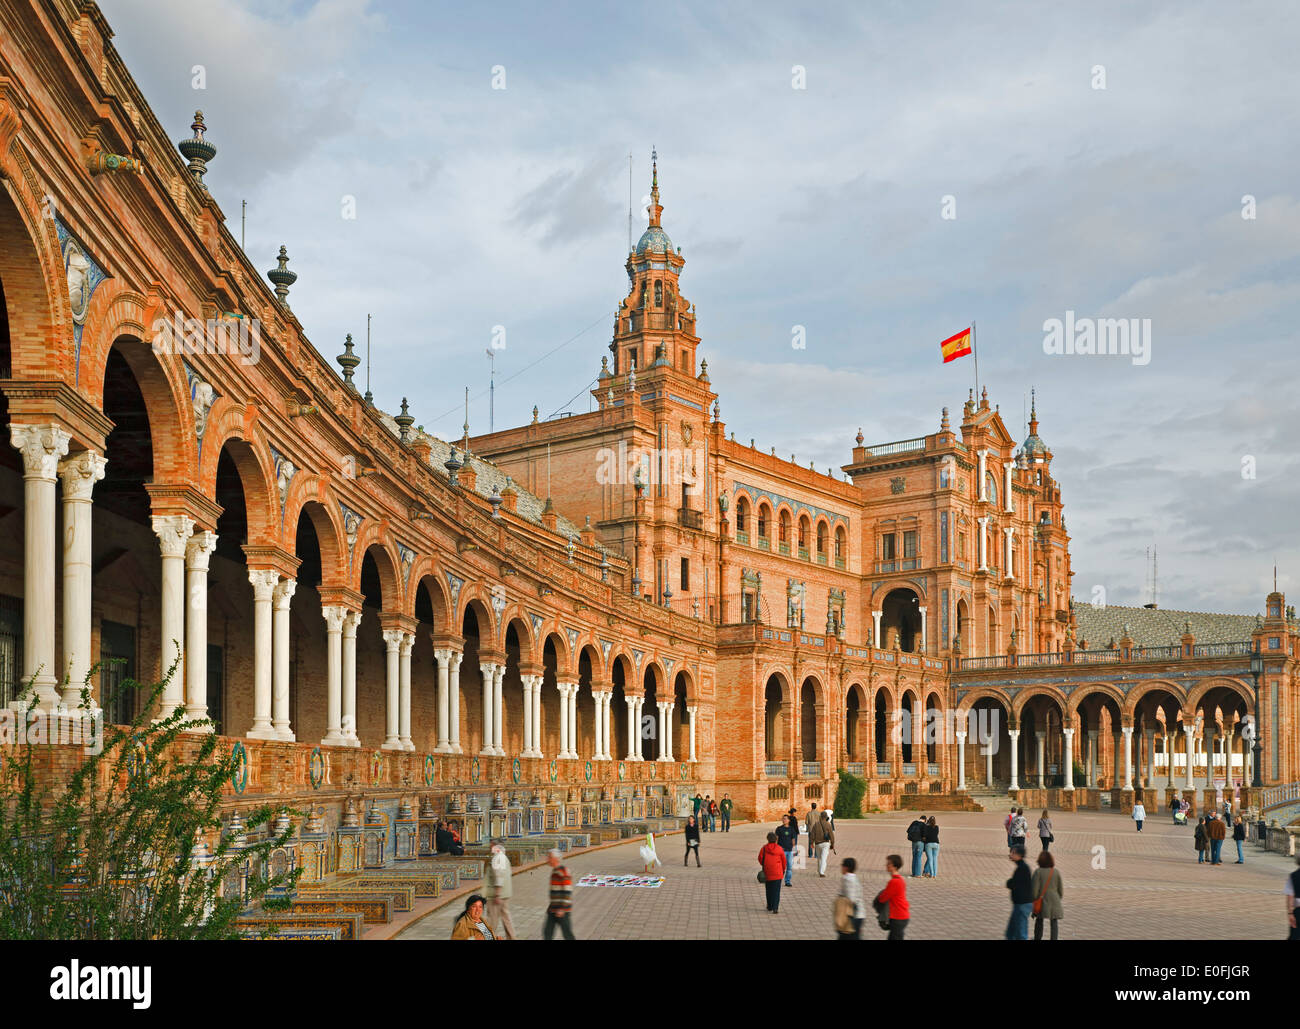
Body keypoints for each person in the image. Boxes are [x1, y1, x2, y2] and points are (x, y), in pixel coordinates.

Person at [1030, 850, 1063, 941]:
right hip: (1055, 900)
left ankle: (1037, 938)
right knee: (1054, 922)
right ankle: (1054, 938)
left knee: (1039, 920)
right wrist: (1057, 898)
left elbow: (1034, 891)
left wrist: (1035, 899)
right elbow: (1060, 890)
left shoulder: (1038, 872)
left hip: (1043, 900)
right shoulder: (1055, 872)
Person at [875, 854, 910, 939]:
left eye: (888, 863)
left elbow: (883, 899)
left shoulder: (894, 882)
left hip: (898, 917)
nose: (886, 865)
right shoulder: (900, 879)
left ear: (894, 866)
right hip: (901, 915)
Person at [485, 843, 515, 940]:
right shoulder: (504, 858)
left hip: (497, 894)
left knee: (492, 918)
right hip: (505, 893)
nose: (490, 848)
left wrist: (497, 894)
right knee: (506, 918)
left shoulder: (497, 858)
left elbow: (499, 876)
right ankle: (512, 937)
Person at [544, 849, 575, 940]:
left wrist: (562, 908)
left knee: (567, 934)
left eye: (549, 857)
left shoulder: (563, 871)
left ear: (556, 859)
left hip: (562, 910)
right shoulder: (555, 871)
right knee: (547, 933)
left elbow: (567, 891)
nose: (547, 859)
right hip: (553, 909)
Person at [1005, 845, 1033, 940]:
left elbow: (1014, 884)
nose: (1010, 855)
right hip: (1019, 904)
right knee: (1010, 933)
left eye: (1013, 853)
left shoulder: (1023, 869)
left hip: (1022, 904)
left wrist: (1010, 883)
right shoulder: (1021, 867)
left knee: (1021, 934)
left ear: (1020, 855)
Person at [836, 857, 865, 939]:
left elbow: (850, 900)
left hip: (852, 917)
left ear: (846, 867)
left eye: (842, 865)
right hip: (857, 916)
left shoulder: (848, 879)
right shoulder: (853, 878)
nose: (841, 867)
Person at [759, 831, 787, 914]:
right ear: (776, 839)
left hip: (767, 872)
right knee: (776, 891)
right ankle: (775, 907)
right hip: (778, 872)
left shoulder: (764, 848)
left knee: (769, 889)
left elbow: (760, 858)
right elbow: (784, 861)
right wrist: (783, 869)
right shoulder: (780, 848)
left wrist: (765, 864)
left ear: (767, 839)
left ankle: (770, 905)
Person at [811, 809, 836, 877]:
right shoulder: (828, 824)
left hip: (817, 843)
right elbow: (831, 835)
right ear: (826, 817)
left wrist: (811, 843)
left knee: (819, 858)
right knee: (824, 858)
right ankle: (822, 872)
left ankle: (819, 870)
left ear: (820, 816)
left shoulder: (816, 824)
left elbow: (812, 834)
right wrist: (832, 844)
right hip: (825, 843)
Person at [775, 814, 798, 887]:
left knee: (789, 867)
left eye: (785, 819)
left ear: (788, 820)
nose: (784, 820)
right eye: (783, 819)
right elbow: (776, 839)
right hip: (781, 851)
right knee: (781, 867)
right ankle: (778, 879)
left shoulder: (791, 829)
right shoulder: (779, 829)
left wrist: (795, 849)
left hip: (789, 851)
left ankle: (787, 881)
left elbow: (793, 840)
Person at [1286, 854, 1300, 940]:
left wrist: (1290, 913)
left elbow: (1290, 895)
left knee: (1294, 936)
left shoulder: (1293, 875)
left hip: (1298, 910)